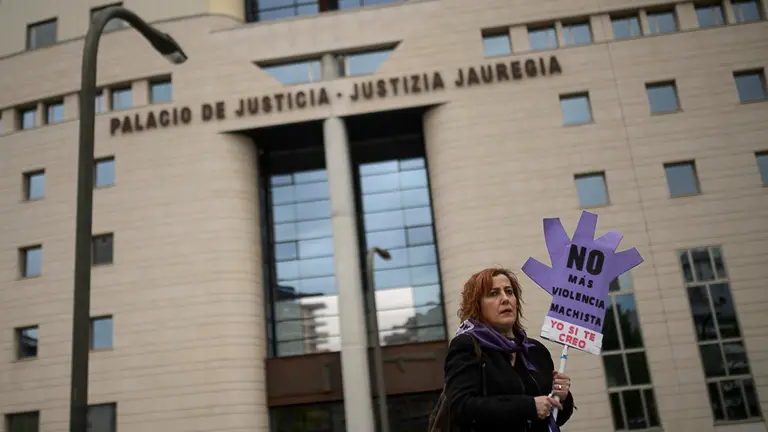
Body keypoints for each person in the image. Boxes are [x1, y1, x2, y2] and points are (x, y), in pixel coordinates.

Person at [444, 267, 575, 432]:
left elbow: (555, 419)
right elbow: (461, 408)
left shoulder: (535, 350)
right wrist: (528, 406)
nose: (505, 299)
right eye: (494, 293)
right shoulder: (467, 346)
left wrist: (561, 397)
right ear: (477, 305)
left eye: (509, 292)